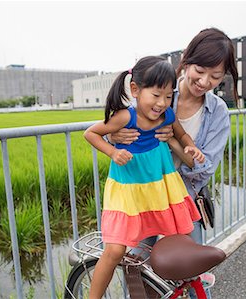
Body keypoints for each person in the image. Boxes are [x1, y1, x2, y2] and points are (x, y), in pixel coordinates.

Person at [108, 27, 239, 298]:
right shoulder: (159, 92)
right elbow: (119, 135)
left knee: (192, 280)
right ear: (187, 61)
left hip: (184, 202)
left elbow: (204, 168)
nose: (204, 81)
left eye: (215, 76)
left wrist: (175, 144)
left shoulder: (218, 112)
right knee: (139, 277)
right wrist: (113, 134)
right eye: (200, 70)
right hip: (142, 200)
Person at [83, 55, 204, 299]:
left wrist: (191, 146)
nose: (162, 103)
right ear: (136, 90)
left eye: (168, 96)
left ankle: (170, 289)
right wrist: (112, 151)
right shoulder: (125, 117)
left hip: (160, 189)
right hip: (128, 189)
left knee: (175, 241)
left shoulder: (167, 116)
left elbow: (181, 135)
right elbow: (91, 133)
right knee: (115, 249)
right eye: (156, 95)